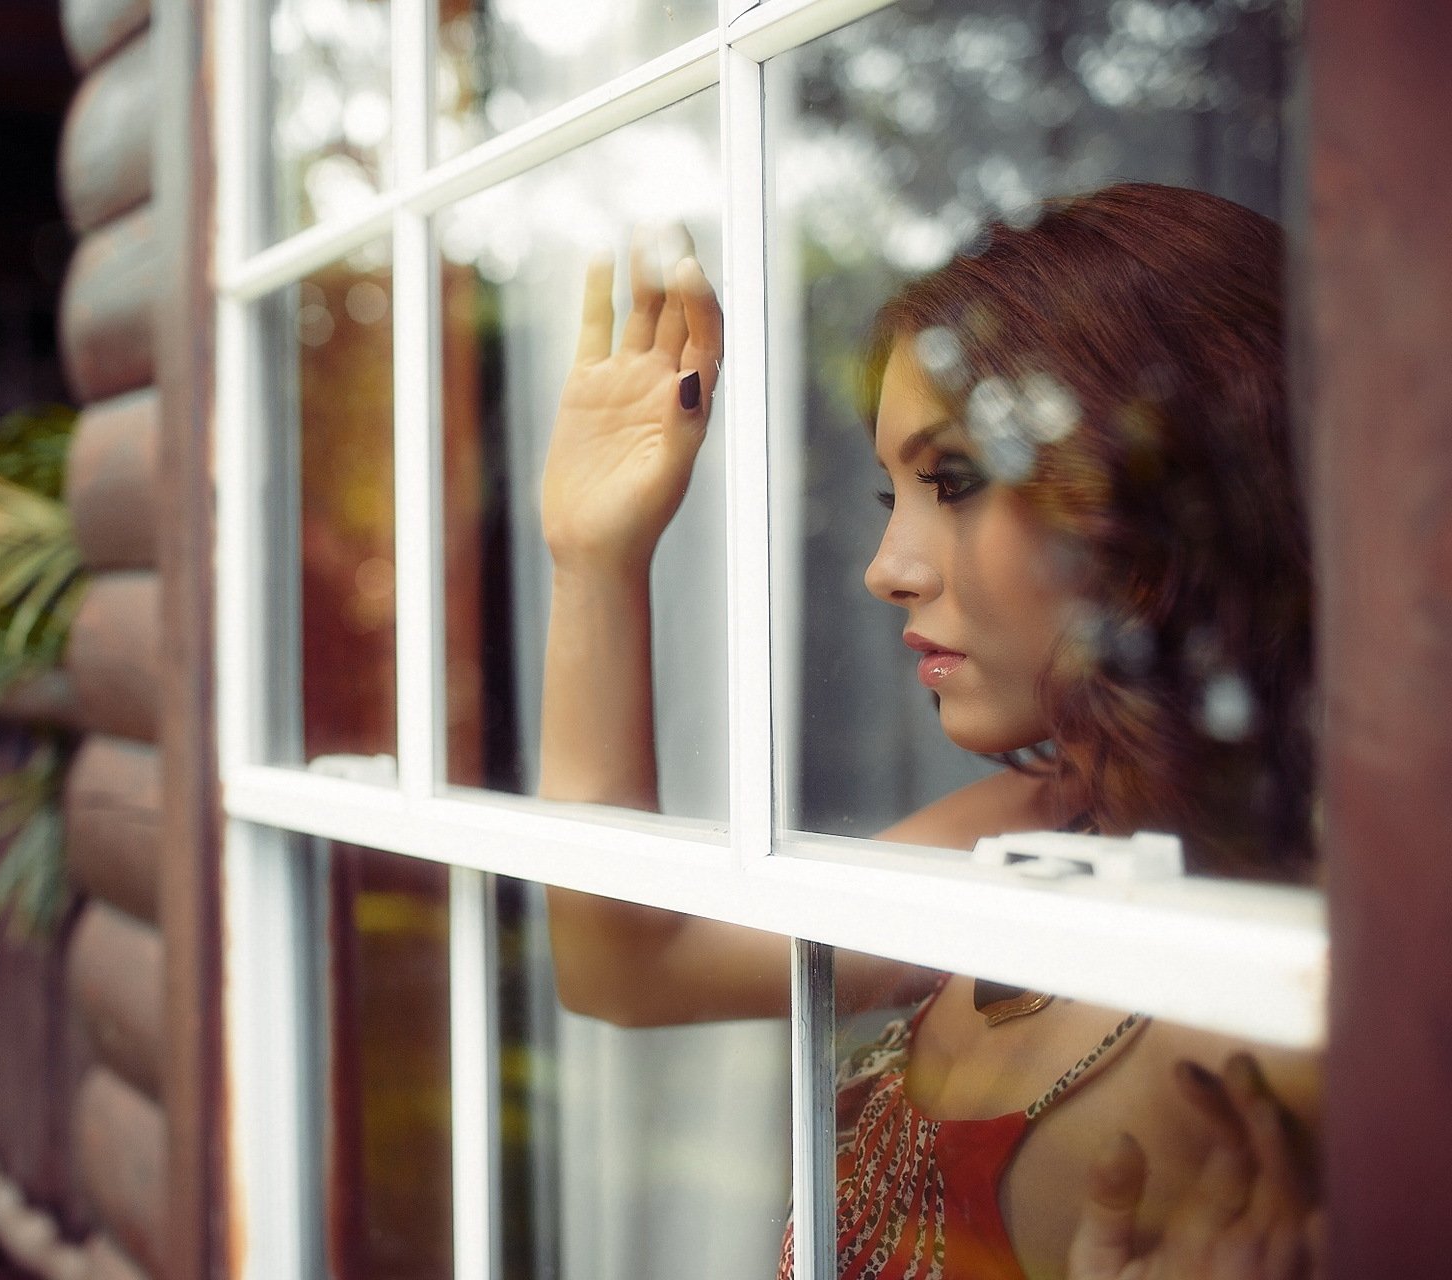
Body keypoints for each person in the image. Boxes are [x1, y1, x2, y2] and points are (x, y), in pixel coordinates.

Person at [535, 184, 1321, 1279]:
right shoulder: (1031, 825)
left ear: (1160, 487)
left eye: (951, 481)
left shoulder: (1311, 999)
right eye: (892, 496)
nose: (886, 569)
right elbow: (629, 963)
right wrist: (594, 556)